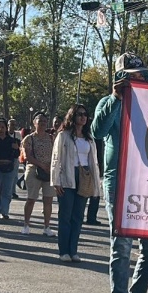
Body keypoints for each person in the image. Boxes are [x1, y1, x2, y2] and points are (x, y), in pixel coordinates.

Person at [91, 53, 148, 293]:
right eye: (133, 75)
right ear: (120, 78)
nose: (139, 79)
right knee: (121, 246)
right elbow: (98, 131)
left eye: (142, 74)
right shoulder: (111, 103)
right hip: (118, 181)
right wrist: (115, 100)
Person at [51, 104, 100, 263]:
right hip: (68, 176)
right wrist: (56, 181)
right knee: (65, 216)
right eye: (79, 114)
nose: (83, 117)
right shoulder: (63, 135)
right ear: (72, 117)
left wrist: (95, 183)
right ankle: (63, 251)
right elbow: (56, 159)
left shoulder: (89, 138)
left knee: (78, 216)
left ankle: (73, 251)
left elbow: (94, 162)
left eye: (85, 114)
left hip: (84, 176)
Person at [20, 112, 56, 236]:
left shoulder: (51, 138)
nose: (42, 124)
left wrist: (50, 167)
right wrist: (42, 165)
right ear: (34, 123)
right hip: (34, 170)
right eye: (40, 121)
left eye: (45, 122)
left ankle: (47, 227)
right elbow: (27, 156)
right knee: (31, 198)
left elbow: (56, 154)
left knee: (48, 200)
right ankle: (26, 224)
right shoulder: (29, 139)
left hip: (49, 171)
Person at [0, 118, 21, 220]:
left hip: (9, 168)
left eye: (3, 127)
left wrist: (16, 148)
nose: (1, 129)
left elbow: (17, 155)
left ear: (6, 128)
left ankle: (5, 212)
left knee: (7, 191)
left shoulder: (13, 141)